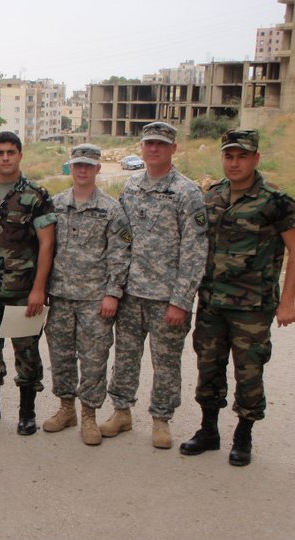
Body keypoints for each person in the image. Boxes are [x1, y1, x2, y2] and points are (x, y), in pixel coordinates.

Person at [180, 129, 295, 466]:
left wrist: (288, 302)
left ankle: (243, 435)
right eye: (229, 156)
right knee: (208, 366)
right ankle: (208, 431)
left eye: (242, 156)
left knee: (249, 371)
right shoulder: (212, 195)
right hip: (212, 301)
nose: (234, 162)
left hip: (252, 307)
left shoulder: (276, 201)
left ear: (256, 158)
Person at [101, 122, 208, 449]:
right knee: (126, 357)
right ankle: (121, 412)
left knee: (166, 362)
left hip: (166, 299)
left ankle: (161, 420)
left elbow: (195, 250)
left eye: (161, 144)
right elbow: (121, 240)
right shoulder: (131, 187)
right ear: (142, 147)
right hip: (132, 294)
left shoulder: (187, 192)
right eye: (149, 143)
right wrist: (114, 288)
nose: (154, 149)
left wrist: (181, 300)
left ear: (173, 149)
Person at [43, 144, 131, 445]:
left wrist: (112, 294)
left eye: (88, 165)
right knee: (62, 356)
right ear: (71, 167)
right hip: (60, 297)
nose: (82, 170)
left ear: (98, 169)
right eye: (77, 164)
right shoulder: (54, 205)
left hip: (95, 299)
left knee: (94, 359)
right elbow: (43, 249)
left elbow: (120, 255)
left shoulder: (111, 209)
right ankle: (66, 409)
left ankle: (90, 415)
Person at [0, 131, 56, 436]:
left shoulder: (36, 196)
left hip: (22, 292)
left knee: (26, 352)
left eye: (10, 152)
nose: (5, 157)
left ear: (20, 155)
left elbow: (47, 245)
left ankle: (26, 412)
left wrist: (38, 289)